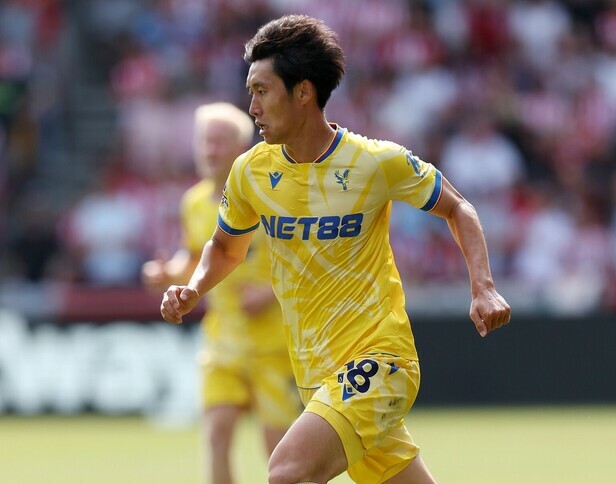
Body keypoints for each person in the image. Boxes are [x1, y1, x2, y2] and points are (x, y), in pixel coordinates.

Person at [161, 15, 511, 484]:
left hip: (381, 361)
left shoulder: (375, 162)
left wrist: (483, 288)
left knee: (286, 471)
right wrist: (195, 286)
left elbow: (459, 210)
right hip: (318, 377)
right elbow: (225, 247)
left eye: (262, 91)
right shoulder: (250, 173)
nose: (252, 107)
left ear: (303, 92)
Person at [143, 102, 301, 484]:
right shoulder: (194, 203)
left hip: (274, 344)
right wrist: (170, 273)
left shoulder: (270, 197)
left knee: (279, 452)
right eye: (204, 141)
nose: (209, 150)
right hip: (223, 339)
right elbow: (197, 258)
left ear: (240, 148)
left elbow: (306, 259)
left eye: (219, 141)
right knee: (215, 434)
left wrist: (272, 292)